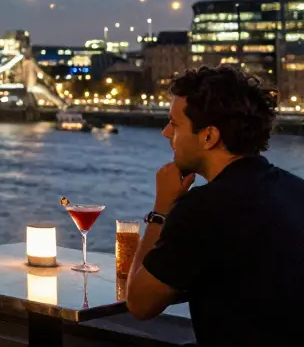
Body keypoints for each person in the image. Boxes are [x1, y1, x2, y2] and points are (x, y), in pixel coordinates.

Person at [127, 66, 304, 345]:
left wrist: (161, 210)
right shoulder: (296, 190)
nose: (165, 133)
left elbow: (139, 303)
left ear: (209, 136)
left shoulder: (203, 208)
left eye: (175, 124)